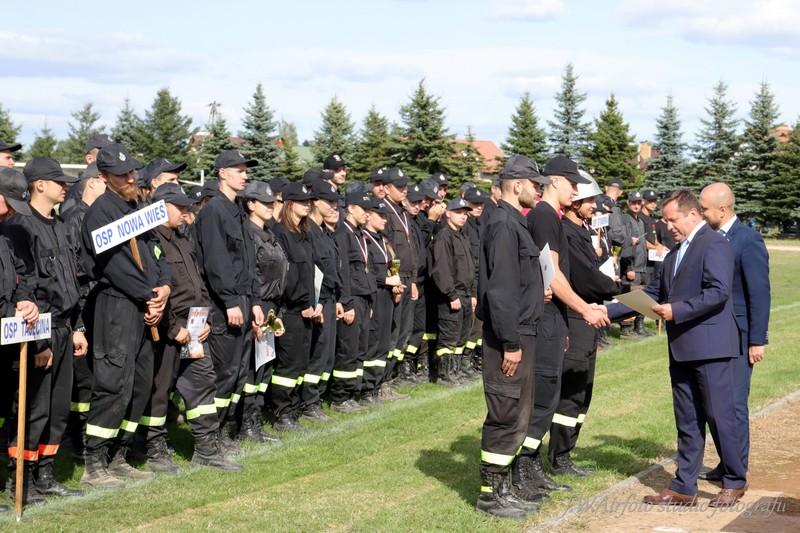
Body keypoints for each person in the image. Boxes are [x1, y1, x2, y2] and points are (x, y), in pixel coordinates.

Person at [607, 189, 746, 508]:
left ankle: (734, 481)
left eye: (672, 220)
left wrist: (677, 310)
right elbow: (654, 291)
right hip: (682, 348)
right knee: (687, 419)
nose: (667, 226)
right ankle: (684, 486)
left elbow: (718, 292)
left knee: (719, 416)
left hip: (711, 348)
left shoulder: (715, 244)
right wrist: (607, 310)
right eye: (665, 220)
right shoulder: (675, 252)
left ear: (693, 215)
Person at [79, 143, 170, 488]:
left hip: (145, 304)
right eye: (122, 174)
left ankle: (119, 455)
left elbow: (156, 250)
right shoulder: (100, 213)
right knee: (113, 382)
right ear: (104, 177)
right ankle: (94, 463)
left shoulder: (137, 207)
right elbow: (115, 266)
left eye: (132, 171)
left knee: (141, 381)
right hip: (116, 305)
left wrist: (163, 286)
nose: (131, 178)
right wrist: (148, 295)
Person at [522, 155, 608, 494]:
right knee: (543, 400)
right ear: (555, 181)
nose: (576, 190)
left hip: (554, 320)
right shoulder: (545, 216)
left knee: (549, 398)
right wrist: (583, 308)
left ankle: (533, 468)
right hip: (544, 320)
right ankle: (526, 470)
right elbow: (552, 274)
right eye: (572, 184)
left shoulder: (550, 216)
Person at [150, 183, 242, 471]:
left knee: (202, 384)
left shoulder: (182, 238)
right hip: (170, 331)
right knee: (159, 392)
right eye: (179, 206)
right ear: (160, 207)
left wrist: (205, 321)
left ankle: (206, 448)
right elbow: (153, 293)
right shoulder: (150, 241)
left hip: (194, 328)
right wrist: (174, 329)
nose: (185, 211)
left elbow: (198, 285)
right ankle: (154, 450)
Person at [475, 155, 547, 519]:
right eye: (535, 185)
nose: (540, 191)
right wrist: (510, 343)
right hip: (510, 337)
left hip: (522, 332)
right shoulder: (504, 224)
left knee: (518, 413)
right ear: (517, 185)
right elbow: (501, 292)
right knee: (505, 412)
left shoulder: (514, 222)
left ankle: (506, 488)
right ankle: (491, 495)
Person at [548, 171, 620, 476]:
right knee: (572, 391)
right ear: (575, 203)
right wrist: (615, 289)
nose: (594, 205)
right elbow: (584, 276)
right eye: (589, 200)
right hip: (576, 317)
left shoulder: (582, 230)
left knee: (584, 390)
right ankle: (559, 458)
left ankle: (567, 453)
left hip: (588, 316)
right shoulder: (566, 231)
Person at [698, 182, 770, 482]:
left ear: (723, 209)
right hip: (712, 334)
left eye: (704, 209)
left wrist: (757, 340)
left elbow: (759, 293)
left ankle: (736, 469)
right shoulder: (707, 238)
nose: (701, 213)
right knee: (715, 404)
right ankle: (726, 461)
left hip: (739, 336)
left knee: (735, 404)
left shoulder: (748, 240)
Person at [195, 150, 263, 449]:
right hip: (225, 306)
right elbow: (216, 261)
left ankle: (224, 431)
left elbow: (248, 261)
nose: (245, 175)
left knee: (237, 371)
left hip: (244, 300)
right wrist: (230, 300)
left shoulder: (237, 209)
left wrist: (255, 301)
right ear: (222, 173)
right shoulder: (214, 211)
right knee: (224, 372)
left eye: (245, 170)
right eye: (239, 170)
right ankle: (211, 436)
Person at [0, 168, 40, 509]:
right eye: (9, 203)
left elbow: (23, 274)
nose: (13, 211)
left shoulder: (9, 232)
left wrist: (25, 300)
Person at [270, 183, 320, 429]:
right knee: (288, 365)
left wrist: (314, 303)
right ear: (289, 204)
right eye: (301, 202)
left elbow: (311, 273)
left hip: (307, 308)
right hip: (290, 310)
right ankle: (281, 413)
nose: (306, 205)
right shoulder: (280, 232)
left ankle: (294, 408)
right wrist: (302, 303)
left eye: (308, 201)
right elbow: (287, 276)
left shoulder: (304, 233)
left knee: (300, 363)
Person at [240, 181, 287, 439]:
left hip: (271, 306)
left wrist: (276, 313)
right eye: (264, 202)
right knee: (252, 367)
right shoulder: (248, 234)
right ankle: (246, 424)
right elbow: (251, 275)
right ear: (250, 204)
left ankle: (255, 420)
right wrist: (256, 310)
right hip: (256, 305)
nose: (270, 206)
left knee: (265, 364)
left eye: (272, 202)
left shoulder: (269, 233)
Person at [301, 180, 341, 420]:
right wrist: (316, 301)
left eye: (335, 202)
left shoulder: (325, 231)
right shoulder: (309, 231)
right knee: (316, 354)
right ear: (315, 201)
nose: (334, 206)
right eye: (329, 201)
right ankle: (309, 403)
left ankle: (317, 398)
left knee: (326, 354)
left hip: (329, 298)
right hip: (318, 299)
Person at [332, 193, 375, 410]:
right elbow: (343, 272)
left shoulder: (360, 234)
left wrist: (371, 301)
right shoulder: (343, 233)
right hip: (352, 298)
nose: (368, 214)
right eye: (364, 209)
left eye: (369, 210)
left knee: (360, 348)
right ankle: (340, 396)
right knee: (347, 350)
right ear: (350, 208)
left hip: (364, 297)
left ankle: (354, 392)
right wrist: (346, 303)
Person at [431, 198, 476, 385]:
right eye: (459, 213)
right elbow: (441, 270)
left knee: (461, 336)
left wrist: (472, 294)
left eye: (465, 213)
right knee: (449, 337)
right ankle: (445, 375)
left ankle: (456, 372)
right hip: (452, 296)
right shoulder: (444, 236)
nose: (463, 216)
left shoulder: (462, 236)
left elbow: (470, 268)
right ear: (448, 213)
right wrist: (451, 295)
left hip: (465, 294)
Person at [362, 198, 401, 403]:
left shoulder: (383, 239)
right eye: (381, 216)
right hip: (375, 295)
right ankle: (366, 388)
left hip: (388, 296)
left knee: (384, 342)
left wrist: (396, 283)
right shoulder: (364, 239)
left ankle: (378, 385)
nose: (385, 220)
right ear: (368, 215)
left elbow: (392, 263)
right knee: (373, 341)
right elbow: (366, 271)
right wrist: (386, 280)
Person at [382, 168, 418, 386]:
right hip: (396, 279)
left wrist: (412, 280)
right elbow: (388, 250)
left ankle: (396, 373)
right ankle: (384, 378)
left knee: (405, 329)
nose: (404, 190)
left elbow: (409, 249)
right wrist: (395, 279)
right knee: (393, 330)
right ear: (386, 189)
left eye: (405, 186)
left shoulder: (402, 212)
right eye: (399, 187)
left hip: (407, 277)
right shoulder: (384, 212)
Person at [462, 187, 488, 377]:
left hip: (480, 278)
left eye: (481, 204)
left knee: (478, 324)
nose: (479, 207)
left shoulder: (480, 224)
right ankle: (464, 360)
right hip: (469, 280)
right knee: (470, 324)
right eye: (475, 204)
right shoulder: (465, 226)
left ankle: (472, 359)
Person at [619, 190, 650, 338]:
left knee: (640, 298)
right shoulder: (625, 219)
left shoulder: (640, 221)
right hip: (632, 267)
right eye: (633, 203)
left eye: (638, 203)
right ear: (628, 203)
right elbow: (625, 246)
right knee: (629, 298)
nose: (636, 205)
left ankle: (639, 326)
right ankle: (626, 329)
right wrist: (629, 268)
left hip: (641, 266)